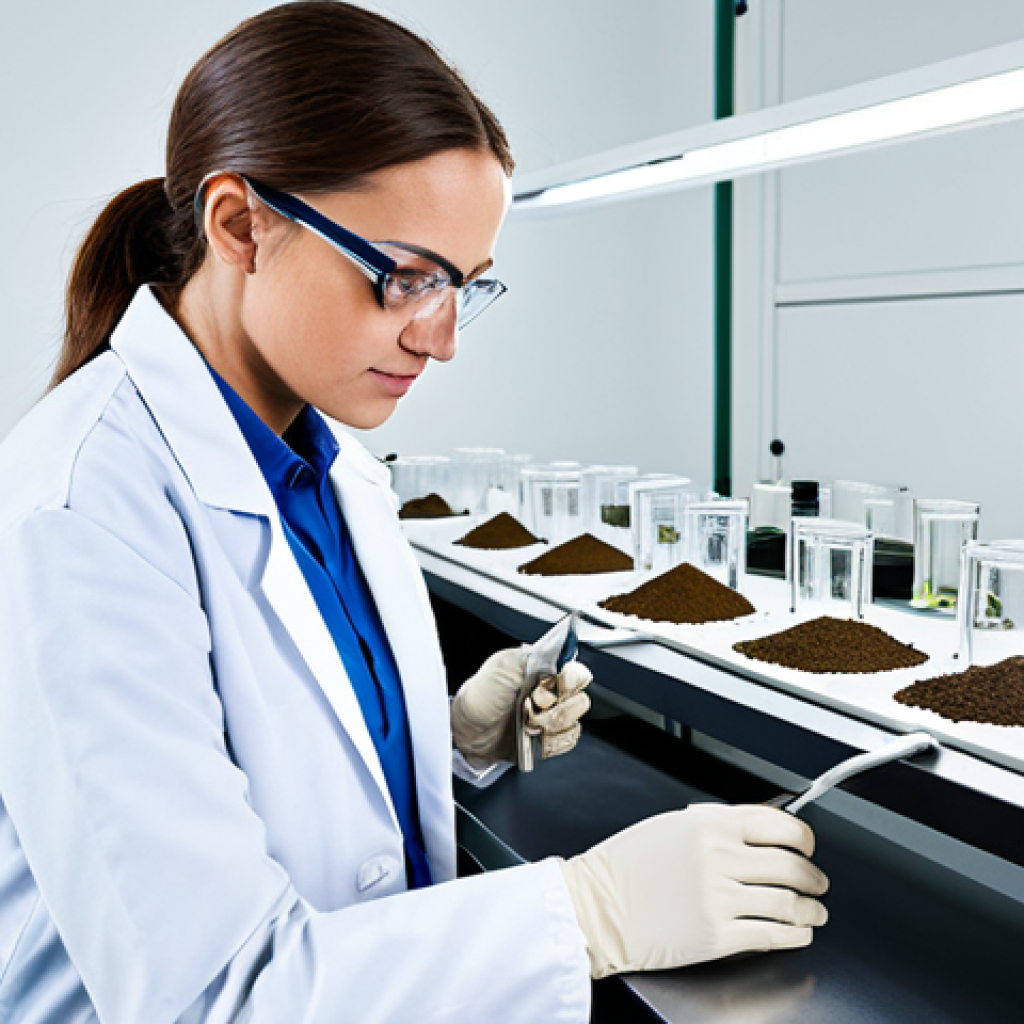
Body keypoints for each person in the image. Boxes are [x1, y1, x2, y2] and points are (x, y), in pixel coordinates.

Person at [0, 3, 828, 1021]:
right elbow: (217, 994)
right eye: (404, 277)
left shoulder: (332, 468)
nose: (441, 341)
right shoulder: (82, 508)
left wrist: (446, 742)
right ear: (239, 225)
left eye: (465, 288)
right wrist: (589, 914)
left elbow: (277, 788)